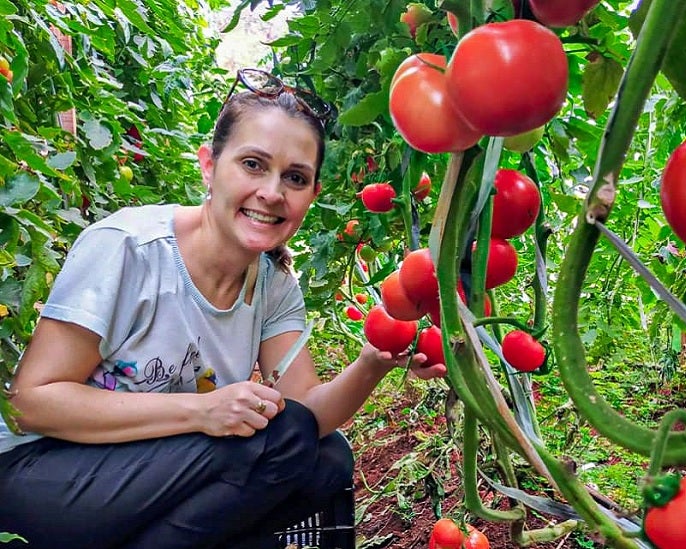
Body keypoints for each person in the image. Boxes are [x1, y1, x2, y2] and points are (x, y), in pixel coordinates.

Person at [0, 70, 447, 549]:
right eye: (253, 165)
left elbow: (308, 412)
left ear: (311, 196)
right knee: (276, 447)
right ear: (209, 165)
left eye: (295, 177)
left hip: (153, 473)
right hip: (43, 474)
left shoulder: (273, 285)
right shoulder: (129, 248)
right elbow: (31, 403)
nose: (272, 192)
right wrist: (201, 410)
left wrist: (373, 361)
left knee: (325, 458)